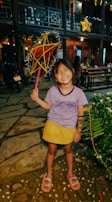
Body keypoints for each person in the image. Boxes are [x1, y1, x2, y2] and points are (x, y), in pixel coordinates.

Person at [31, 59, 88, 192]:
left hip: (69, 127)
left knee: (68, 150)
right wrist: (37, 99)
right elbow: (48, 106)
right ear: (55, 77)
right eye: (58, 72)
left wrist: (79, 131)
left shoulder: (79, 93)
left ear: (72, 72)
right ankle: (49, 173)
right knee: (51, 150)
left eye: (65, 69)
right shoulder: (53, 91)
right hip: (53, 125)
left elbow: (80, 114)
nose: (63, 73)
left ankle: (70, 173)